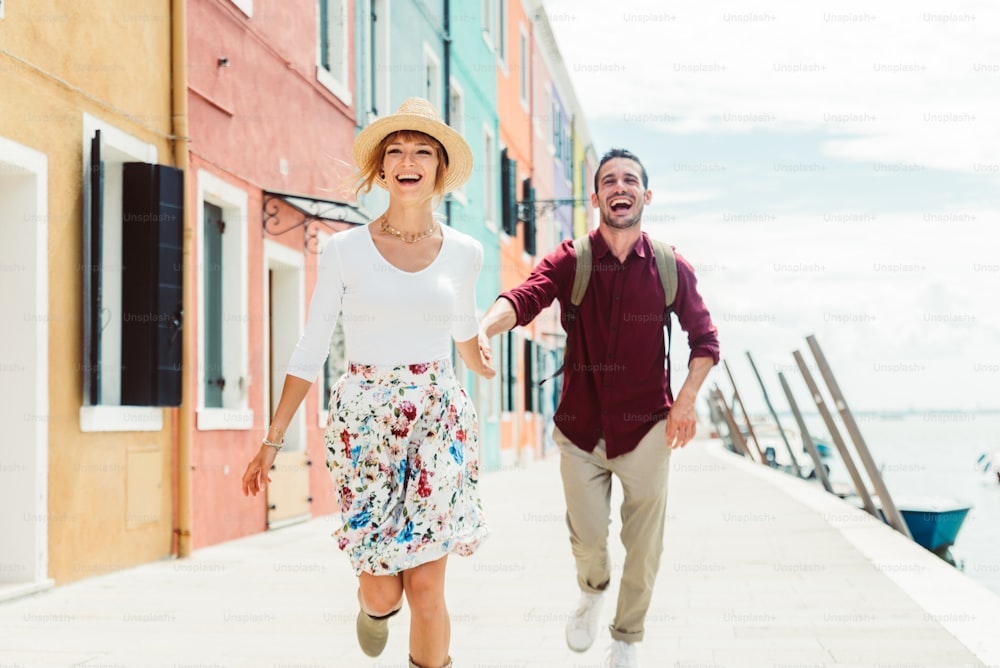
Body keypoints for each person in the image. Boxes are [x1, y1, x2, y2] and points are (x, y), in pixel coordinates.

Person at [242, 98, 494, 668]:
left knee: (429, 591)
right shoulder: (344, 251)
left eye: (423, 151)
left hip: (437, 417)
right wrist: (273, 437)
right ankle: (373, 608)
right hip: (365, 423)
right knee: (385, 591)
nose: (409, 161)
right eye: (396, 151)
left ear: (438, 168)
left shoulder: (465, 253)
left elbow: (461, 329)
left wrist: (478, 358)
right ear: (380, 169)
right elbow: (310, 347)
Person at [479, 148, 719, 668]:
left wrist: (686, 400)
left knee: (645, 544)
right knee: (588, 539)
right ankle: (592, 590)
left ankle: (627, 636)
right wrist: (482, 328)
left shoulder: (669, 266)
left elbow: (705, 340)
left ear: (645, 196)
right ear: (596, 198)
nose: (620, 187)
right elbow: (525, 297)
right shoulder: (572, 260)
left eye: (630, 179)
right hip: (581, 430)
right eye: (609, 180)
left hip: (648, 430)